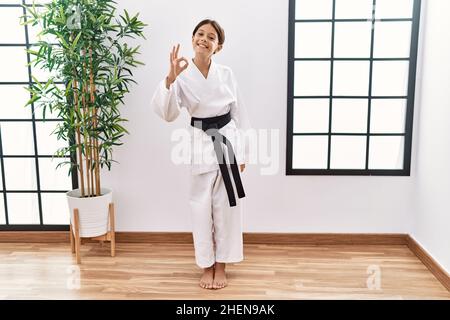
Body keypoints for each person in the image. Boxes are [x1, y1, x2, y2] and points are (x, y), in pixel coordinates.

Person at [150, 19, 251, 290]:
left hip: (227, 140)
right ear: (193, 38)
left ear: (218, 46)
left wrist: (243, 152)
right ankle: (206, 265)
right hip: (200, 144)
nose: (204, 39)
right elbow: (168, 113)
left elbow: (239, 113)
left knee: (226, 208)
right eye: (200, 34)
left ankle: (222, 265)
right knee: (201, 207)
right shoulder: (181, 76)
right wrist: (170, 78)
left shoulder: (227, 74)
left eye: (211, 37)